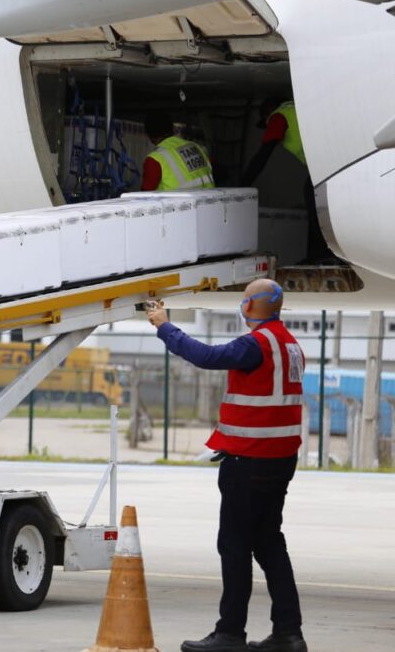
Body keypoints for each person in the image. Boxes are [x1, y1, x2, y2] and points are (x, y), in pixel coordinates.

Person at [146, 279, 307, 652]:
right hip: (280, 459)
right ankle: (289, 633)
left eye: (244, 299)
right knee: (269, 544)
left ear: (250, 306)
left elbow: (207, 357)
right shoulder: (291, 346)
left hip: (249, 460)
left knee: (234, 546)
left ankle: (230, 633)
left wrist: (164, 326)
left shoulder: (256, 343)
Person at [241, 98, 336, 264]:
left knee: (313, 197)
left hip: (327, 163)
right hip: (331, 157)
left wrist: (242, 184)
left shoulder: (278, 118)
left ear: (267, 114)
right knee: (313, 195)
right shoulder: (294, 107)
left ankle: (322, 254)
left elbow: (264, 154)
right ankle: (319, 253)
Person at [141, 110, 216, 192]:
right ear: (172, 129)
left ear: (150, 135)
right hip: (210, 202)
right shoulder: (197, 147)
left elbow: (145, 196)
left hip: (179, 204)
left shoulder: (155, 159)